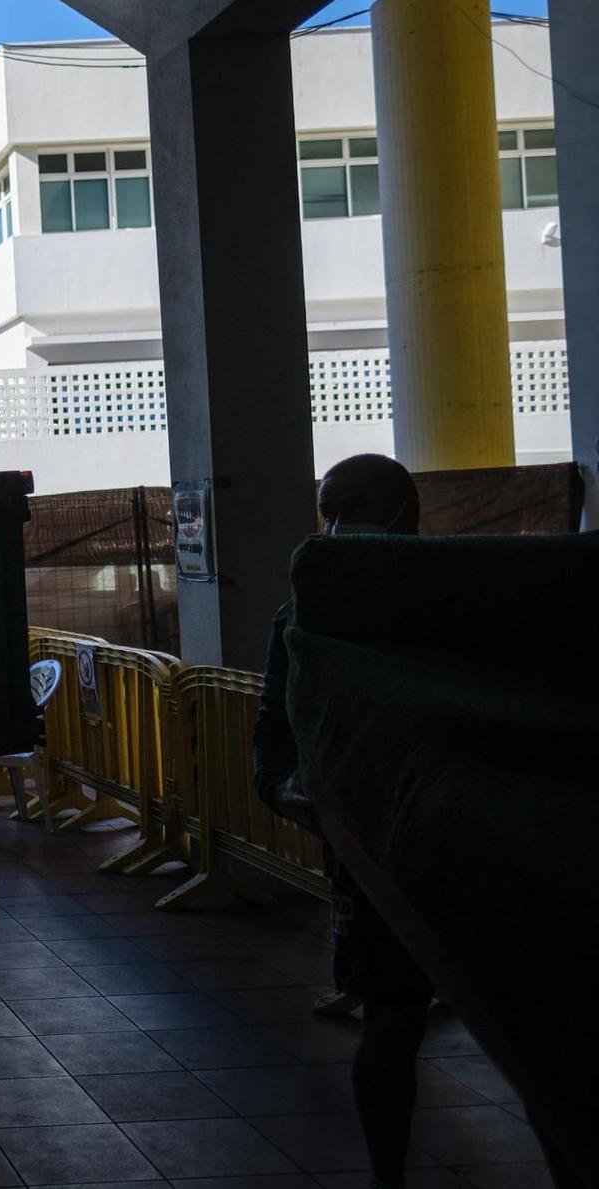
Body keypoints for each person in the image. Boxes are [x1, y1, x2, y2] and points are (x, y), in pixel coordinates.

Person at [253, 454, 430, 1189]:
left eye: (351, 504)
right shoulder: (302, 614)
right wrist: (277, 786)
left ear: (401, 513)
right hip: (367, 850)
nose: (336, 523)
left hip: (415, 840)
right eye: (329, 507)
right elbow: (274, 726)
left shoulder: (451, 600)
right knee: (390, 1022)